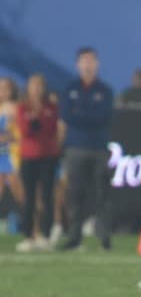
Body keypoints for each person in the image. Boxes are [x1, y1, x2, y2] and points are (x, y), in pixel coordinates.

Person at [59, 47, 113, 251]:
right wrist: (86, 115)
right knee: (74, 194)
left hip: (99, 147)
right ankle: (75, 237)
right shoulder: (70, 89)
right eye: (84, 61)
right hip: (76, 148)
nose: (88, 65)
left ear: (97, 64)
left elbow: (103, 116)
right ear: (77, 64)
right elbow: (67, 116)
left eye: (91, 60)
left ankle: (104, 236)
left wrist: (80, 113)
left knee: (102, 194)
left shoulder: (105, 90)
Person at [15, 75, 60, 252]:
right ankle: (28, 235)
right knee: (29, 197)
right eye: (34, 85)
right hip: (29, 156)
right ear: (28, 87)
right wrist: (35, 118)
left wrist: (37, 117)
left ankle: (45, 235)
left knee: (47, 196)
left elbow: (51, 128)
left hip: (48, 156)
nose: (37, 89)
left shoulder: (51, 107)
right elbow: (25, 130)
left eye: (40, 85)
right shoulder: (22, 107)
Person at [0, 78, 23, 233]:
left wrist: (7, 138)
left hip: (12, 155)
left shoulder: (17, 108)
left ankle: (33, 222)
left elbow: (21, 133)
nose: (3, 92)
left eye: (6, 88)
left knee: (19, 192)